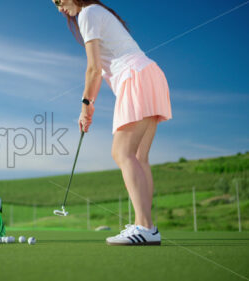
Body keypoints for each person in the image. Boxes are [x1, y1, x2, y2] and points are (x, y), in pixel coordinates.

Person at [52, 0, 172, 245]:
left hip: (136, 77)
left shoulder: (87, 14)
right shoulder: (97, 13)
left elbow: (94, 69)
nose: (59, 8)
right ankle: (148, 227)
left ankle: (144, 227)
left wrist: (85, 107)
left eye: (58, 0)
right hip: (149, 74)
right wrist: (91, 105)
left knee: (121, 153)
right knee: (138, 157)